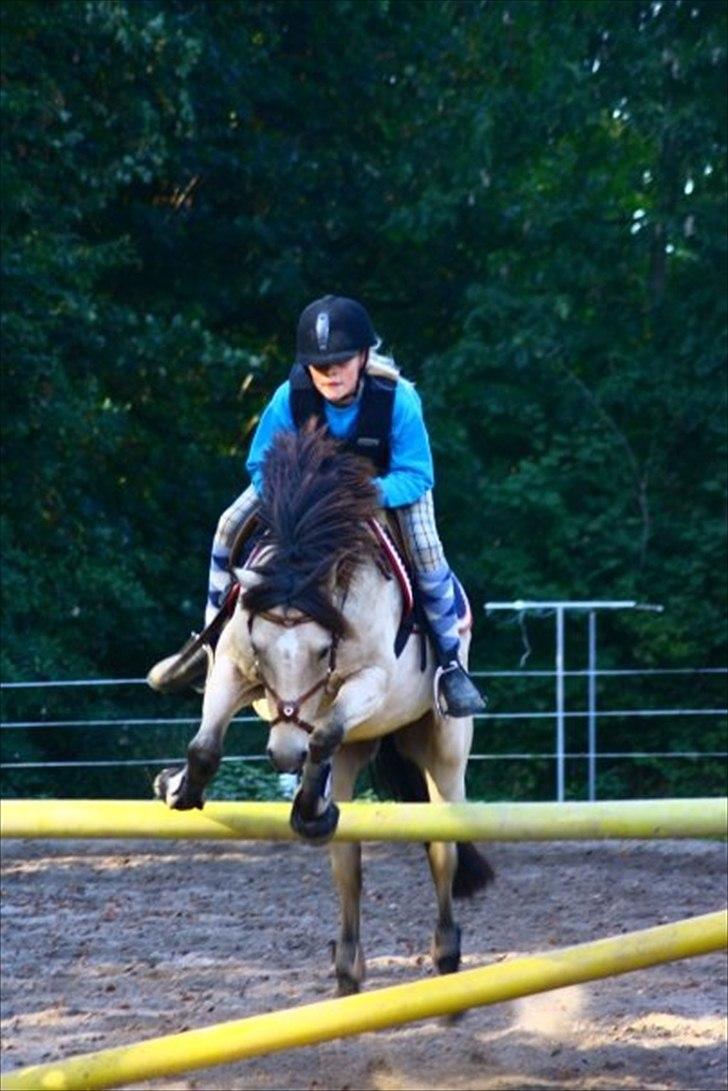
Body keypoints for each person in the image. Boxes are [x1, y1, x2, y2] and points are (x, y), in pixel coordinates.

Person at [149, 295, 486, 717]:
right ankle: (210, 644)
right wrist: (302, 494)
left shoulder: (398, 400)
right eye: (319, 364)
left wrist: (361, 495)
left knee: (426, 547)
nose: (329, 373)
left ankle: (451, 666)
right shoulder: (289, 397)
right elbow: (259, 465)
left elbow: (417, 476)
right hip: (304, 492)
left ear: (363, 357)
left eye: (340, 362)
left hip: (385, 488)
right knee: (227, 523)